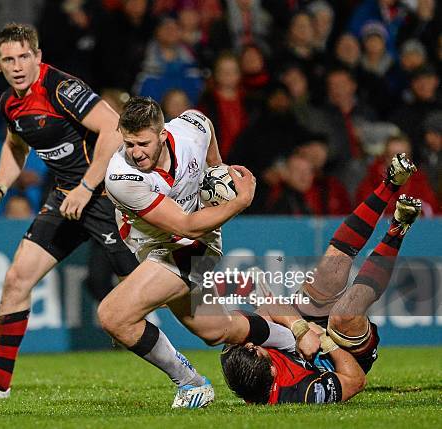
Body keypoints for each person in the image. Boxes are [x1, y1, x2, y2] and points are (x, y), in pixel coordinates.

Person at [0, 23, 139, 398]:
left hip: (106, 197)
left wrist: (86, 188)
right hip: (66, 200)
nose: (18, 65)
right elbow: (15, 145)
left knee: (169, 294)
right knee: (17, 278)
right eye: (9, 59)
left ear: (37, 57)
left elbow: (115, 130)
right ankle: (0, 382)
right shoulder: (9, 103)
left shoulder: (62, 88)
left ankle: (256, 338)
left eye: (24, 56)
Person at [98, 96, 298, 409]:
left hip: (189, 246)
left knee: (113, 316)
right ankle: (295, 342)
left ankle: (192, 385)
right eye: (129, 144)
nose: (135, 153)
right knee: (217, 330)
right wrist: (239, 202)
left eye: (143, 144)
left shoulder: (191, 129)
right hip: (166, 239)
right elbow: (185, 223)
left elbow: (203, 123)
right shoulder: (121, 177)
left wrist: (218, 172)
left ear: (163, 135)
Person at [221, 153, 422, 404]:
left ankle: (389, 184)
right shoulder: (296, 394)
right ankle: (397, 231)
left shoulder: (237, 354)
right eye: (265, 354)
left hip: (306, 323)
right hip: (342, 355)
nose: (258, 346)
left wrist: (301, 329)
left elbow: (268, 308)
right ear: (273, 372)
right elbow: (356, 381)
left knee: (328, 273)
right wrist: (326, 342)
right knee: (345, 314)